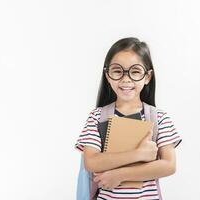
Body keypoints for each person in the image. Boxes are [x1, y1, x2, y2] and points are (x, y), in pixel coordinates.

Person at [75, 37, 182, 200]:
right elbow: (91, 162)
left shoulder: (159, 118)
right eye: (117, 71)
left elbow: (169, 165)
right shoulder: (97, 117)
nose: (126, 79)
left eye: (135, 71)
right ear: (107, 75)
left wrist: (120, 175)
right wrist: (138, 154)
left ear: (147, 77)